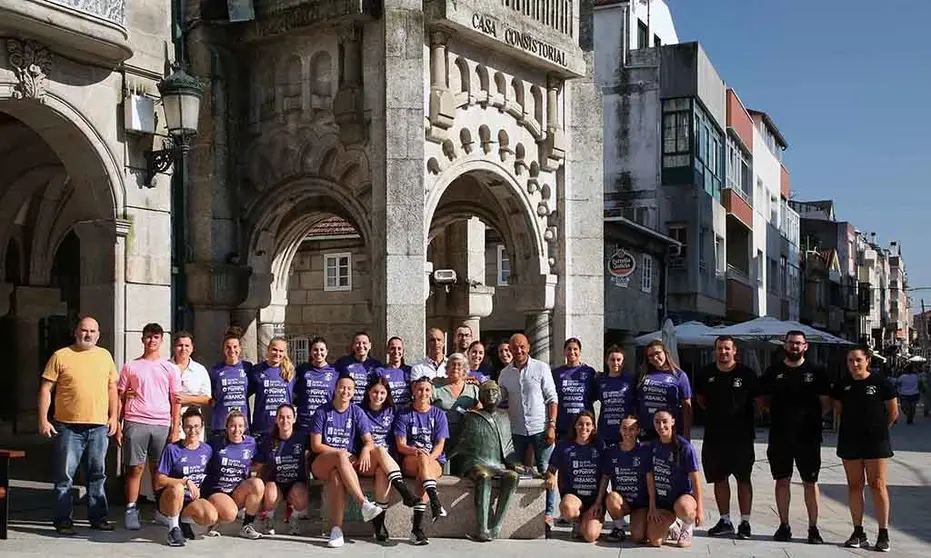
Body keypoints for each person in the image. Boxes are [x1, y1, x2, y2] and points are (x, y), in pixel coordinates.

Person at [38, 315, 119, 535]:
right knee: (65, 476)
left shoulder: (105, 356)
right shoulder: (61, 356)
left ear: (99, 334)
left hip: (99, 426)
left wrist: (114, 417)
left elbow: (113, 389)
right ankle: (63, 521)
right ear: (76, 332)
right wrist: (43, 419)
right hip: (68, 427)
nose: (88, 334)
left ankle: (99, 518)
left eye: (93, 331)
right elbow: (46, 389)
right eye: (84, 330)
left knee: (97, 474)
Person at [756, 330, 831, 544]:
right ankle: (784, 525)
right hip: (780, 436)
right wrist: (779, 415)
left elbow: (825, 402)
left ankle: (813, 528)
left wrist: (811, 419)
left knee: (810, 482)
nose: (795, 347)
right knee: (782, 481)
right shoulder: (774, 371)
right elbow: (762, 398)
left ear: (805, 346)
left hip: (809, 437)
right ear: (785, 345)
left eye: (799, 344)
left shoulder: (817, 371)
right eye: (791, 343)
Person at [832, 345, 898, 552]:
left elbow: (893, 412)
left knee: (877, 484)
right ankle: (858, 531)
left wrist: (879, 431)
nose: (854, 364)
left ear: (867, 360)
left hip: (876, 442)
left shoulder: (881, 382)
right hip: (850, 441)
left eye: (858, 360)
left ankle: (883, 533)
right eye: (850, 360)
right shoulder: (842, 385)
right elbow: (839, 411)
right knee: (854, 485)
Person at [117, 322, 182, 530]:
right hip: (136, 421)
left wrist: (174, 429)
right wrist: (118, 425)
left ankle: (161, 510)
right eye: (148, 336)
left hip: (162, 423)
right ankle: (131, 508)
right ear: (142, 339)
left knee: (158, 470)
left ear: (162, 340)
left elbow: (176, 400)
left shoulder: (170, 368)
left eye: (156, 337)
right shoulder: (130, 366)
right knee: (135, 468)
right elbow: (120, 396)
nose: (152, 340)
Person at [309, 375, 385, 548]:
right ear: (335, 389)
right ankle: (364, 503)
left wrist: (366, 450)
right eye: (342, 387)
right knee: (340, 457)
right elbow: (315, 445)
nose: (345, 391)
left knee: (337, 476)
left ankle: (336, 530)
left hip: (342, 465)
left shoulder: (357, 412)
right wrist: (341, 453)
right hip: (321, 462)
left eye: (349, 389)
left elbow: (369, 440)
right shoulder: (322, 411)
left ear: (353, 392)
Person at [694, 335, 758, 539]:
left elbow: (757, 403)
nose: (723, 352)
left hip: (741, 437)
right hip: (714, 436)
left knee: (743, 479)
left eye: (727, 348)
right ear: (715, 351)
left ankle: (745, 522)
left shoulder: (746, 374)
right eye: (720, 348)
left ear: (734, 350)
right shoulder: (706, 373)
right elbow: (701, 399)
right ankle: (725, 520)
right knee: (719, 479)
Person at [496, 333, 558, 535]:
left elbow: (552, 398)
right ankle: (520, 514)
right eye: (514, 348)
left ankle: (548, 515)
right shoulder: (505, 374)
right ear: (510, 350)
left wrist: (552, 425)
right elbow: (498, 400)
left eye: (522, 347)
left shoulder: (541, 368)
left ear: (528, 347)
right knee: (519, 472)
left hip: (541, 428)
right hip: (517, 431)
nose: (518, 351)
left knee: (547, 471)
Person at [359, 376, 421, 541]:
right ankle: (403, 490)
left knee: (382, 472)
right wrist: (365, 449)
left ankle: (379, 524)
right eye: (375, 392)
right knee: (378, 449)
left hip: (387, 464)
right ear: (368, 392)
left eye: (382, 393)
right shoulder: (359, 411)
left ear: (387, 395)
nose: (378, 396)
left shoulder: (392, 412)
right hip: (366, 460)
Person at [394, 377, 451, 545]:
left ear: (431, 392)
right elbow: (401, 445)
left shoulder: (439, 414)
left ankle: (417, 530)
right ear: (413, 391)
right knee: (422, 467)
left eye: (427, 390)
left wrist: (427, 458)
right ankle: (434, 501)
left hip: (433, 461)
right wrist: (417, 452)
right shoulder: (404, 413)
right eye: (420, 389)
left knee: (423, 474)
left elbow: (440, 445)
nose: (423, 393)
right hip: (410, 459)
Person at [155, 407, 218, 546]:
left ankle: (182, 521)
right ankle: (173, 529)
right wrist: (185, 481)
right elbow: (159, 480)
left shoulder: (206, 450)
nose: (192, 431)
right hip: (170, 498)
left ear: (202, 427)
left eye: (196, 426)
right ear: (182, 428)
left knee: (211, 517)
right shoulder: (172, 449)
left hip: (190, 501)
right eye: (188, 427)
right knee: (178, 487)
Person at [201, 410, 265, 539]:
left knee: (257, 484)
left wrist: (245, 468)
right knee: (230, 514)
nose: (237, 430)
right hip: (216, 491)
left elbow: (259, 464)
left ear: (245, 427)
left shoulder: (251, 443)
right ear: (226, 427)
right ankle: (214, 520)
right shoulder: (215, 442)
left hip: (236, 491)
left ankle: (247, 526)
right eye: (233, 426)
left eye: (240, 426)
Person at [645, 409, 704, 548]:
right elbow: (650, 478)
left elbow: (696, 480)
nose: (661, 426)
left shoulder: (685, 447)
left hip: (682, 499)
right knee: (655, 541)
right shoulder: (652, 447)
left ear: (672, 422)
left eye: (664, 421)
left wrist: (700, 510)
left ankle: (687, 528)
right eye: (657, 422)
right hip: (663, 502)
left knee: (684, 508)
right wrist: (652, 506)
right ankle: (673, 524)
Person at [545, 411, 603, 543]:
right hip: (573, 497)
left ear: (593, 427)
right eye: (580, 424)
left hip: (594, 501)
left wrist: (600, 501)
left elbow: (606, 474)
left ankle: (590, 520)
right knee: (567, 508)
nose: (584, 427)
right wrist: (551, 477)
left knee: (590, 536)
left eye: (588, 424)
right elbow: (551, 470)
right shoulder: (564, 446)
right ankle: (577, 522)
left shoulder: (599, 446)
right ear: (575, 426)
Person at [254, 404, 309, 536]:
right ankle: (269, 518)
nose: (285, 421)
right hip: (276, 483)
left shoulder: (302, 438)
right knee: (271, 492)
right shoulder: (268, 440)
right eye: (281, 417)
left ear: (294, 419)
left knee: (301, 495)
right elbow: (258, 464)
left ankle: (294, 518)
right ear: (276, 419)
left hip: (295, 484)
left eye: (288, 417)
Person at [598, 416, 651, 542]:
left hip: (641, 504)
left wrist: (653, 506)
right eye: (625, 428)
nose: (628, 432)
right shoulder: (611, 452)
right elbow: (605, 478)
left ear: (638, 430)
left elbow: (650, 481)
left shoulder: (645, 451)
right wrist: (598, 501)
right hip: (622, 501)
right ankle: (619, 528)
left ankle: (670, 524)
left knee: (638, 537)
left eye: (632, 429)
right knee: (611, 497)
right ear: (620, 430)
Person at [636, 340, 692, 441]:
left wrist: (686, 433)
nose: (655, 358)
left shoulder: (679, 375)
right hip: (647, 429)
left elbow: (687, 407)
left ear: (665, 353)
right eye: (650, 355)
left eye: (658, 353)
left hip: (668, 429)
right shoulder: (643, 375)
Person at [431, 352, 481, 455]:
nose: (456, 367)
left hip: (465, 437)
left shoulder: (473, 389)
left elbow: (481, 412)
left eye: (459, 365)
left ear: (465, 370)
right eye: (453, 364)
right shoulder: (435, 388)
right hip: (440, 436)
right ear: (447, 368)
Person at [249, 337, 296, 444]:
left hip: (283, 428)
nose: (277, 353)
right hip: (262, 427)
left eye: (281, 351)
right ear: (268, 349)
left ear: (285, 353)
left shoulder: (290, 372)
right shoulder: (256, 370)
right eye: (274, 349)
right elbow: (244, 393)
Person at [208, 328, 253, 437]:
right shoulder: (215, 370)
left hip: (242, 424)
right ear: (224, 350)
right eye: (228, 347)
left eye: (235, 347)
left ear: (240, 348)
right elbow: (211, 394)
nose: (232, 350)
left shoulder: (247, 367)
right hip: (221, 424)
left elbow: (251, 389)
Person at [552, 338, 598, 439]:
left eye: (575, 349)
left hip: (584, 427)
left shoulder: (589, 372)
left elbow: (594, 395)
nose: (572, 352)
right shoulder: (556, 373)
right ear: (564, 352)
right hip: (563, 426)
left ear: (580, 351)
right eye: (569, 349)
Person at [594, 345, 636, 448]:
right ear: (606, 361)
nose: (615, 363)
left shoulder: (630, 379)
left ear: (623, 362)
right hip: (605, 430)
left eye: (619, 360)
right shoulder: (600, 380)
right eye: (612, 360)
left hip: (625, 431)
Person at [293, 336, 338, 430]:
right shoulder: (302, 369)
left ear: (327, 351)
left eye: (322, 350)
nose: (319, 353)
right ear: (310, 352)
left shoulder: (335, 372)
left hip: (325, 422)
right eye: (315, 350)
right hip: (304, 423)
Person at [170, 332, 211, 427]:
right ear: (174, 347)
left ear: (192, 348)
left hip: (192, 422)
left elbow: (207, 399)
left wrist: (186, 399)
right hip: (167, 420)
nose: (183, 349)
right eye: (180, 345)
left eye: (187, 345)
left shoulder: (200, 370)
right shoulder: (165, 367)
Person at [334, 331, 382, 404]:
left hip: (368, 408)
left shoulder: (376, 365)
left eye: (364, 343)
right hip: (348, 407)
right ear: (353, 346)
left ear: (370, 345)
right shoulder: (343, 363)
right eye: (357, 343)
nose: (361, 346)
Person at [374, 337, 413, 407]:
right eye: (393, 348)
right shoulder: (380, 371)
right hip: (388, 413)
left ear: (403, 351)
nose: (396, 351)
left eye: (399, 348)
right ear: (387, 350)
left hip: (406, 413)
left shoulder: (409, 371)